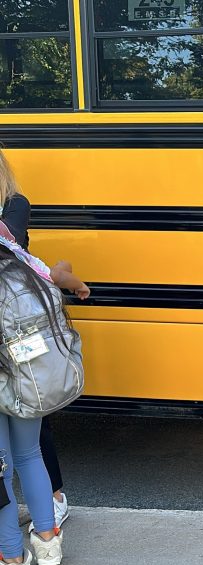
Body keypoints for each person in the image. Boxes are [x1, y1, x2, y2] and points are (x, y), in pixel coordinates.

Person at [0, 151, 75, 531]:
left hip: (18, 332)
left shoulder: (14, 205)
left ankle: (55, 501)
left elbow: (11, 245)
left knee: (33, 414)